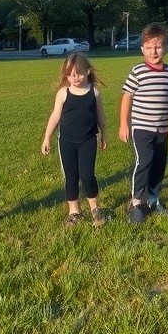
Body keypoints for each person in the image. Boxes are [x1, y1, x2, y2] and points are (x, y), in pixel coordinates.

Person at [119, 23, 168, 224]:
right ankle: (137, 203)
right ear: (142, 50)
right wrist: (124, 123)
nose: (154, 51)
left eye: (158, 46)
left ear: (166, 48)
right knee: (144, 162)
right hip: (141, 128)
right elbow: (127, 97)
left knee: (159, 164)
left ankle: (154, 198)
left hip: (162, 128)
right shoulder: (138, 71)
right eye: (149, 47)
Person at [42, 52, 107, 227]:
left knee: (87, 176)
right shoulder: (63, 93)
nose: (74, 78)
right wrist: (47, 137)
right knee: (71, 177)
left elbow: (100, 116)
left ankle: (95, 208)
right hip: (67, 143)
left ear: (87, 71)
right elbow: (55, 116)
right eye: (70, 74)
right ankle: (74, 211)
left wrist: (104, 135)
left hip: (88, 141)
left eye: (78, 73)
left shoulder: (94, 92)